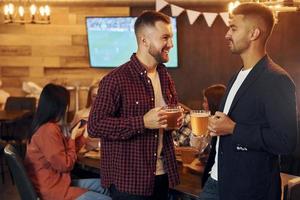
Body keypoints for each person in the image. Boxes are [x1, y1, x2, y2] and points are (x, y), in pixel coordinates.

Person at [200, 3, 298, 200]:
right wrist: (217, 125)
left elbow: (286, 142)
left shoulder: (276, 79)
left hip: (248, 190)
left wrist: (233, 129)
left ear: (253, 33)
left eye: (233, 28)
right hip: (216, 181)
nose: (227, 34)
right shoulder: (236, 76)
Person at [88, 10, 182, 200]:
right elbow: (95, 125)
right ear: (144, 40)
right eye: (165, 38)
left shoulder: (165, 77)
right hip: (129, 184)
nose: (171, 44)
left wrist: (175, 122)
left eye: (171, 37)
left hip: (163, 177)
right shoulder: (115, 79)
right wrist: (143, 122)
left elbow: (164, 123)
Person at [24, 83, 111, 200]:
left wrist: (83, 136)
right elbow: (65, 165)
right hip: (54, 190)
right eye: (66, 104)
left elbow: (66, 153)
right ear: (57, 106)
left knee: (106, 187)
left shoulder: (45, 126)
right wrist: (73, 137)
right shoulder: (48, 130)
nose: (66, 108)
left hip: (58, 182)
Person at [71, 84, 100, 150]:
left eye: (100, 95)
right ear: (90, 97)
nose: (97, 99)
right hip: (85, 154)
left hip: (105, 154)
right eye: (94, 96)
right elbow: (72, 138)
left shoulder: (111, 114)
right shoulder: (80, 115)